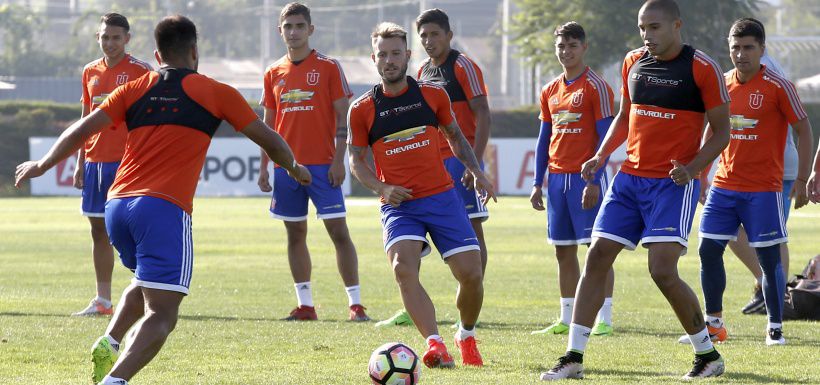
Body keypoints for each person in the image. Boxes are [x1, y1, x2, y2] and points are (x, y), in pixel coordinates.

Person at [15, 15, 310, 385]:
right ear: (194, 51)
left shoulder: (134, 88)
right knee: (163, 313)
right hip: (163, 207)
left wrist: (42, 164)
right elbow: (269, 138)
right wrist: (295, 167)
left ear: (157, 54)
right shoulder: (215, 91)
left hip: (117, 206)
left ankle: (110, 339)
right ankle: (115, 381)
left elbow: (82, 128)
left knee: (148, 278)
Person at [539, 0, 731, 380]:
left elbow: (723, 132)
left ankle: (707, 354)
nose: (647, 36)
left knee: (661, 270)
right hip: (629, 179)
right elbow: (625, 118)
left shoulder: (702, 68)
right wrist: (599, 155)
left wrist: (693, 169)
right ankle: (573, 356)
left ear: (677, 25)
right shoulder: (633, 61)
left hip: (672, 183)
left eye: (655, 27)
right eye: (643, 28)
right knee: (596, 258)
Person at [348, 22, 495, 368]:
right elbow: (356, 159)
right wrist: (382, 188)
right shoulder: (362, 109)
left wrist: (476, 171)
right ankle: (435, 345)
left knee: (471, 274)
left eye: (396, 53)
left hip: (442, 197)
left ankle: (466, 334)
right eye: (382, 54)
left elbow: (457, 138)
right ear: (374, 58)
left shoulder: (433, 95)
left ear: (407, 56)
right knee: (403, 267)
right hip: (400, 206)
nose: (389, 60)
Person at [686, 17, 813, 347]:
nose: (741, 55)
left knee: (769, 261)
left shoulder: (778, 86)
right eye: (735, 48)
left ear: (762, 50)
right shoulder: (722, 84)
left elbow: (804, 129)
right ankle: (714, 324)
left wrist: (802, 177)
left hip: (764, 189)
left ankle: (774, 327)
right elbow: (712, 131)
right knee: (708, 249)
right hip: (724, 186)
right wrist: (701, 175)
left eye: (748, 48)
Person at [376, 7, 492, 329]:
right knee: (410, 241)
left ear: (449, 36)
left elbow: (482, 112)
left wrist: (475, 162)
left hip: (460, 160)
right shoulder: (424, 71)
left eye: (434, 34)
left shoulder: (463, 66)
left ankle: (470, 294)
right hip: (431, 163)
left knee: (471, 230)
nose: (429, 40)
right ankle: (411, 302)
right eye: (423, 35)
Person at [256, 2, 368, 322]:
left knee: (339, 232)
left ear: (310, 29)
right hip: (285, 167)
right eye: (287, 27)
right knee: (295, 235)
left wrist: (338, 160)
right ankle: (306, 305)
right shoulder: (272, 72)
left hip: (322, 166)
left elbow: (342, 115)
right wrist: (265, 166)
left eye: (299, 26)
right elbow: (267, 125)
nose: (293, 32)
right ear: (280, 31)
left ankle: (356, 305)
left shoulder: (329, 67)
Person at [529, 21, 616, 337]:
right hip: (557, 182)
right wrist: (538, 183)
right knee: (563, 250)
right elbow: (543, 139)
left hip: (585, 180)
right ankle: (566, 317)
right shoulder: (550, 90)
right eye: (561, 46)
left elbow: (606, 137)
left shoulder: (596, 86)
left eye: (572, 46)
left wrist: (594, 180)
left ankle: (604, 318)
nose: (565, 52)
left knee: (598, 250)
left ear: (584, 47)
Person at [72, 13, 152, 317]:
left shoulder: (141, 71)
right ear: (98, 38)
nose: (110, 42)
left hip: (128, 162)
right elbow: (84, 119)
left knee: (135, 229)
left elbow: (149, 120)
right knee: (97, 230)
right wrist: (81, 160)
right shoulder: (89, 71)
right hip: (94, 162)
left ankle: (146, 293)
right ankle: (103, 300)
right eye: (105, 37)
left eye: (116, 37)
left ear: (127, 39)